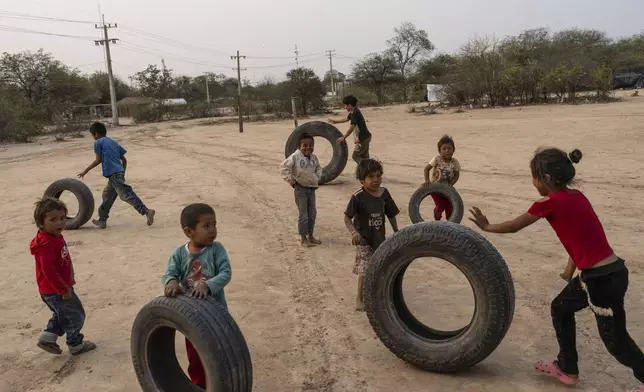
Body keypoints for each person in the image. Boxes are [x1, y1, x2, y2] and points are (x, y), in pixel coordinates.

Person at [468, 147, 644, 388]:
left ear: (546, 179)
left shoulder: (548, 203)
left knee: (617, 343)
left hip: (600, 281)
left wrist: (487, 227)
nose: (533, 182)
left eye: (534, 176)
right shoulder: (577, 197)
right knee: (560, 308)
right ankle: (567, 368)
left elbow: (514, 226)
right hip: (607, 273)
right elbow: (582, 237)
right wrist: (569, 271)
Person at [162, 203, 232, 388]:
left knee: (221, 355)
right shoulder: (179, 254)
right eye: (206, 226)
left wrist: (207, 285)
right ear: (189, 232)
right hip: (192, 319)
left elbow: (225, 273)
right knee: (196, 358)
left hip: (217, 314)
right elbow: (170, 273)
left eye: (214, 224)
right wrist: (171, 282)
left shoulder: (217, 250)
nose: (213, 230)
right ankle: (199, 386)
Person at [30, 197, 96, 356]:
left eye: (62, 218)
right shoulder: (45, 244)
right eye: (53, 220)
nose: (59, 223)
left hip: (57, 288)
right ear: (40, 224)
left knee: (63, 314)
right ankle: (75, 344)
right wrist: (63, 289)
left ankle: (48, 338)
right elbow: (49, 270)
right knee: (75, 316)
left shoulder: (54, 236)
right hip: (55, 290)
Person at [344, 158, 399, 311]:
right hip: (364, 240)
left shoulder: (384, 193)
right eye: (371, 177)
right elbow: (347, 218)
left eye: (378, 176)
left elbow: (391, 214)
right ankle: (359, 299)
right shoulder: (358, 196)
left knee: (382, 267)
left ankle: (381, 295)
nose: (376, 180)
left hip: (379, 239)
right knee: (365, 269)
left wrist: (396, 231)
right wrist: (353, 232)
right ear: (362, 180)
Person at [77, 122, 155, 229]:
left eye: (92, 135)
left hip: (113, 174)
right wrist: (122, 173)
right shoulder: (113, 142)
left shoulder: (98, 142)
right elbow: (124, 160)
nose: (93, 138)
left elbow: (98, 160)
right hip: (117, 174)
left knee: (125, 195)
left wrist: (85, 170)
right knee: (107, 196)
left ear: (95, 134)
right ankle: (102, 220)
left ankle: (146, 211)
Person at [280, 132, 323, 247]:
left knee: (312, 214)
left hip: (312, 189)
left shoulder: (314, 158)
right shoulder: (295, 156)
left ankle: (311, 235)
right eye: (305, 145)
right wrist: (292, 181)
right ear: (299, 146)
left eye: (311, 145)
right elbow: (284, 168)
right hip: (300, 189)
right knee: (303, 215)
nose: (308, 147)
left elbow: (318, 168)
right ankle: (303, 238)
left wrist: (317, 177)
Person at [423, 135, 461, 220]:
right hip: (435, 188)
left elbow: (456, 175)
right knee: (440, 205)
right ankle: (437, 221)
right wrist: (427, 181)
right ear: (439, 151)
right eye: (444, 149)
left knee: (450, 207)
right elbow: (426, 169)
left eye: (449, 148)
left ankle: (450, 225)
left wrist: (451, 183)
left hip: (447, 189)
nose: (447, 151)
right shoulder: (436, 159)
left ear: (453, 150)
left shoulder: (455, 162)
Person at [329, 95, 372, 164]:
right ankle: (370, 170)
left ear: (350, 105)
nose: (344, 107)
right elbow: (346, 119)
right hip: (366, 137)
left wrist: (344, 137)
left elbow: (351, 128)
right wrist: (335, 121)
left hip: (363, 139)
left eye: (345, 105)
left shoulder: (354, 113)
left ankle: (367, 168)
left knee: (355, 156)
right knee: (365, 156)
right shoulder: (354, 111)